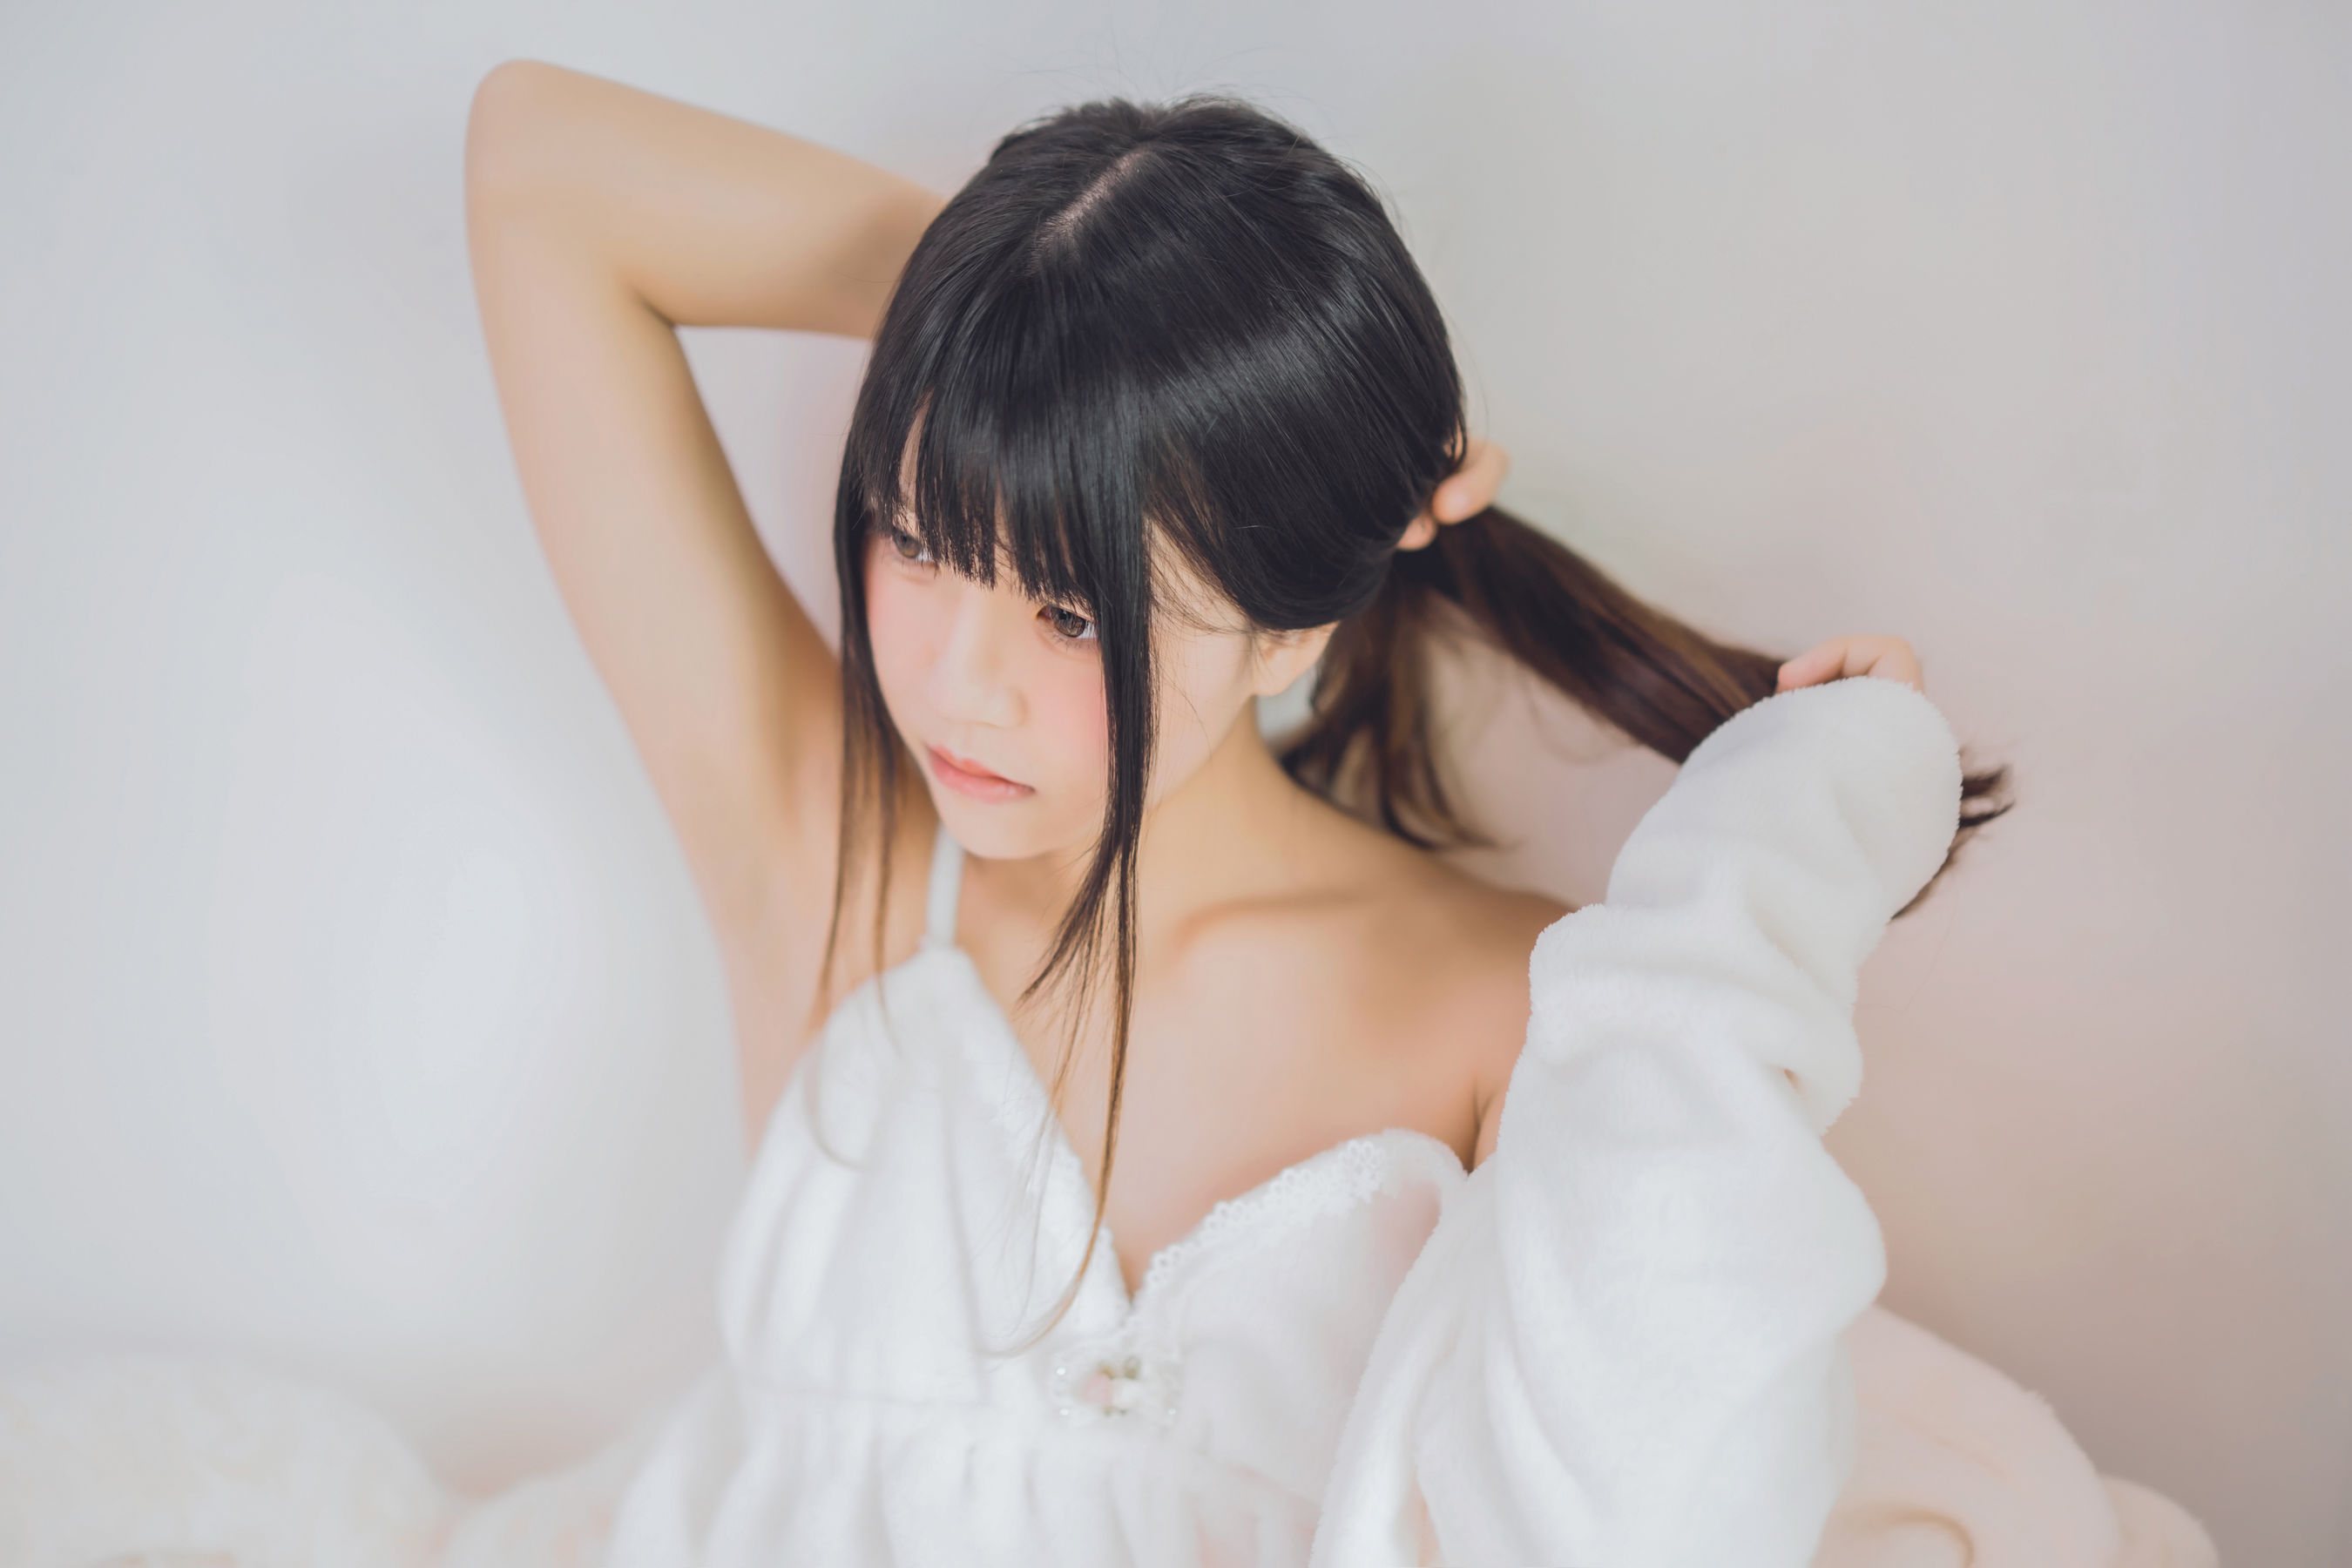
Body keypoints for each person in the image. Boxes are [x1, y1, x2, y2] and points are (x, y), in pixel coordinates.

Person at [453, 59, 2006, 1567]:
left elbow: (1652, 1506)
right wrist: (1036, 328)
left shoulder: (1515, 1015)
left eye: (1070, 611)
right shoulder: (836, 866)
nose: (956, 684)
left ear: (1292, 629)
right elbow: (541, 164)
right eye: (916, 543)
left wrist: (1767, 875)